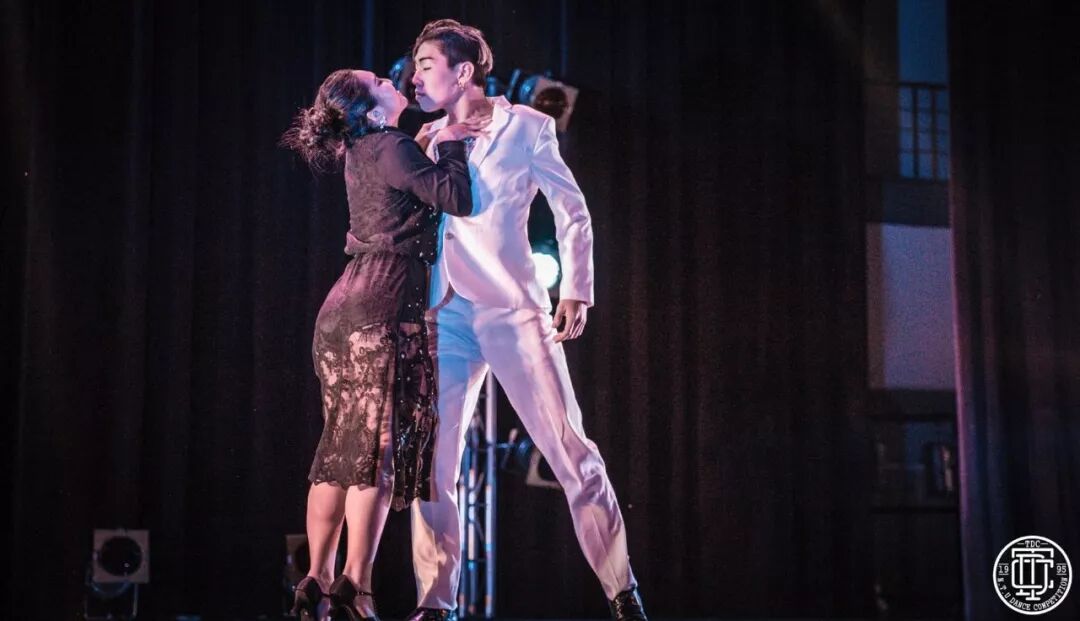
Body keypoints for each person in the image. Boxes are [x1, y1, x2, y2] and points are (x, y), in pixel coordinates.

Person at [404, 19, 648, 621]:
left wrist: (577, 289)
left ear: (463, 71)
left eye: (426, 65)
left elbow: (572, 209)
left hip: (512, 308)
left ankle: (621, 590)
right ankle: (436, 601)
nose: (415, 78)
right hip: (445, 309)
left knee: (569, 447)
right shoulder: (428, 136)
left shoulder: (528, 126)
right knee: (433, 458)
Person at [281, 67, 487, 621]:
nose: (393, 79)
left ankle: (315, 577)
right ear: (372, 109)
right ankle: (357, 584)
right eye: (378, 81)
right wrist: (451, 144)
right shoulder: (392, 145)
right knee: (375, 452)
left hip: (342, 310)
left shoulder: (363, 150)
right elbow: (456, 197)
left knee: (339, 448)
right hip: (383, 306)